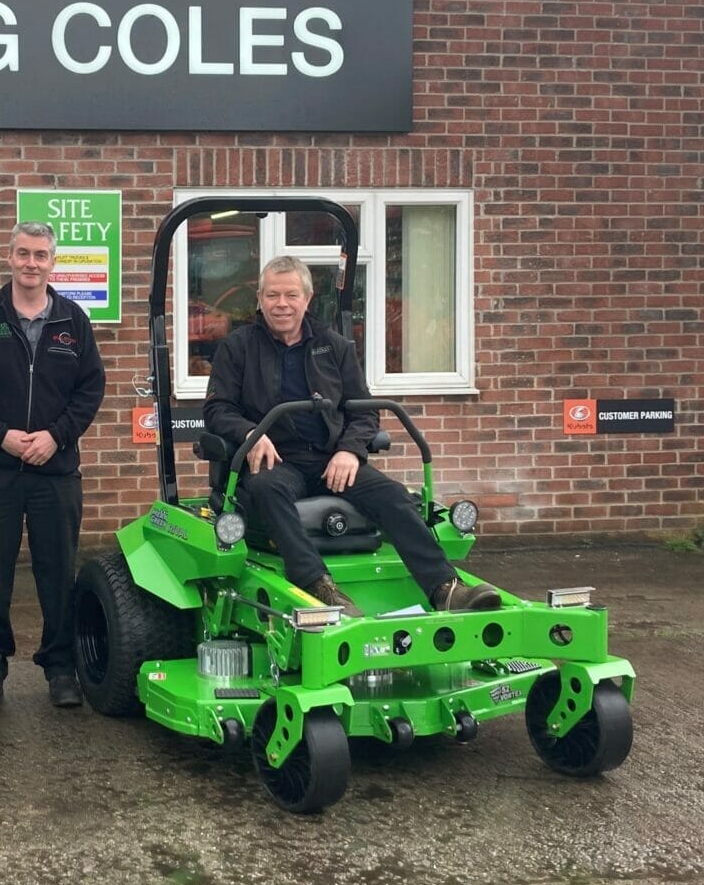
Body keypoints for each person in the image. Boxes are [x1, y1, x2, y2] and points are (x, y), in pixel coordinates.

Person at [203, 255, 499, 616]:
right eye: (272, 295)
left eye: (291, 295)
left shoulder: (334, 347)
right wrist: (251, 433)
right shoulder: (238, 348)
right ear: (260, 300)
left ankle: (445, 588)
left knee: (395, 496)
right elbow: (217, 409)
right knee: (267, 489)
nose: (282, 304)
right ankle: (318, 586)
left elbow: (364, 410)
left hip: (330, 460)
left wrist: (349, 450)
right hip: (275, 461)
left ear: (307, 298)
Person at [0, 221, 106, 711]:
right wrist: (3, 435)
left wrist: (56, 436)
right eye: (23, 253)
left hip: (55, 472)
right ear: (10, 257)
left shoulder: (73, 321)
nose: (31, 263)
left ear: (52, 262)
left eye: (40, 255)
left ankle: (60, 666)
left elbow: (91, 389)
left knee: (57, 572)